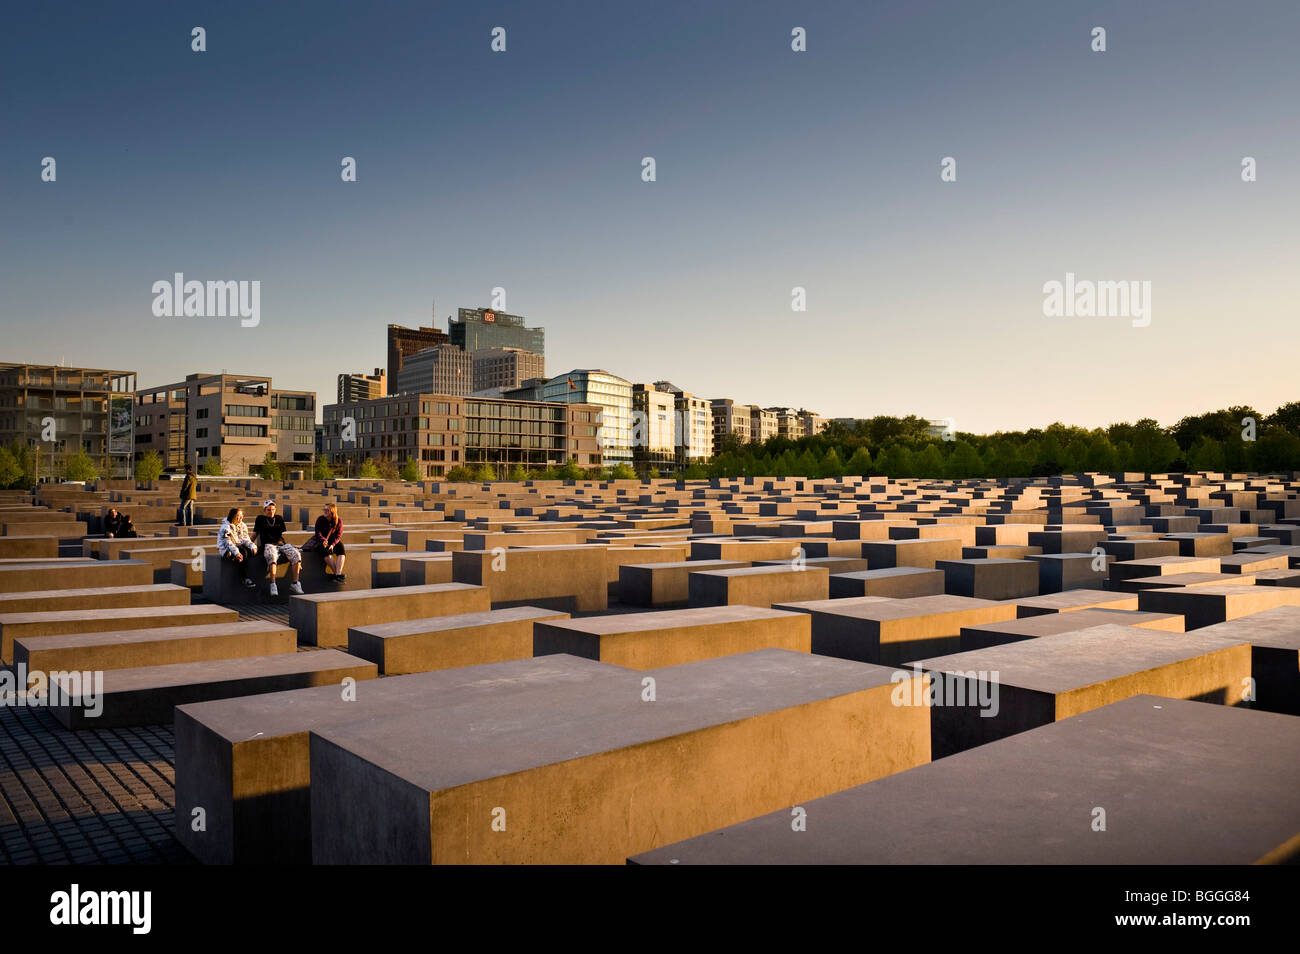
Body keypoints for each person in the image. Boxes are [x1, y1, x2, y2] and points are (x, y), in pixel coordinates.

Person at [252, 499, 302, 596]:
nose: (271, 512)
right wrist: (250, 545)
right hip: (268, 544)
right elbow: (254, 534)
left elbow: (281, 535)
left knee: (296, 555)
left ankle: (295, 583)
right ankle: (273, 584)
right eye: (269, 510)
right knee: (272, 556)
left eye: (273, 509)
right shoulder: (260, 519)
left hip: (281, 544)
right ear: (264, 510)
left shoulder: (279, 518)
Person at [218, 507, 258, 588]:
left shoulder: (242, 525)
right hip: (226, 548)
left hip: (238, 545)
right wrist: (237, 553)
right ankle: (244, 578)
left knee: (250, 551)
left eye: (241, 516)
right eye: (237, 516)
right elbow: (228, 543)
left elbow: (246, 539)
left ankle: (248, 575)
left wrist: (253, 546)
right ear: (232, 516)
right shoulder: (225, 527)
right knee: (243, 553)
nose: (239, 518)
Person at [312, 502, 347, 583]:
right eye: (324, 509)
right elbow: (318, 533)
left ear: (332, 511)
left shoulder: (338, 521)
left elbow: (339, 535)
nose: (325, 511)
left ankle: (338, 574)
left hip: (333, 541)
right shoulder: (320, 519)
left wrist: (332, 544)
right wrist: (323, 540)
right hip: (321, 541)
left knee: (341, 549)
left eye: (327, 510)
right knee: (325, 551)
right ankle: (337, 575)